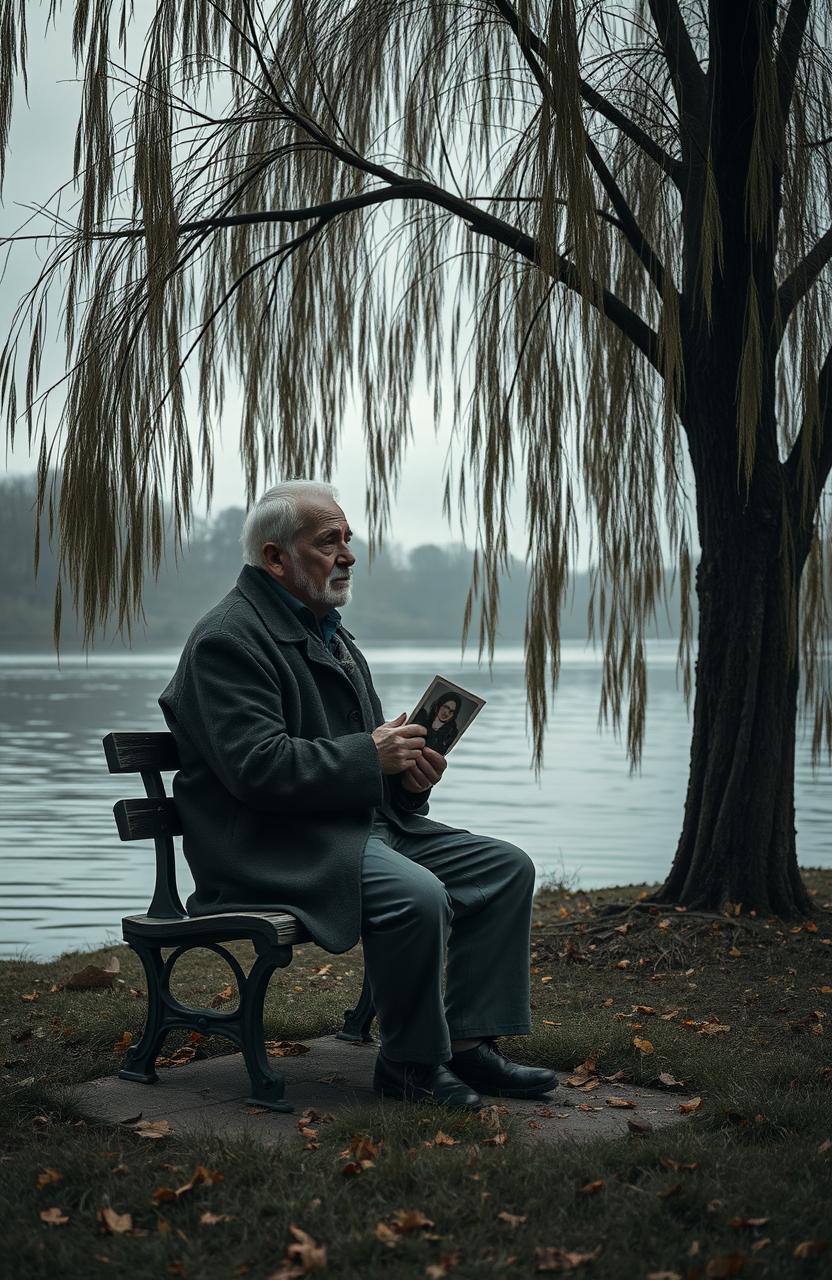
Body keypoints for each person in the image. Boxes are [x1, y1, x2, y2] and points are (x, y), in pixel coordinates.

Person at [159, 479, 556, 1111]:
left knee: (506, 869)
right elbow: (255, 768)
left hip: (349, 833)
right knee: (416, 895)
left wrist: (407, 781)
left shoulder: (334, 637)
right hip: (271, 848)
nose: (348, 554)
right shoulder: (226, 641)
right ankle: (409, 1065)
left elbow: (364, 768)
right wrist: (371, 755)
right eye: (328, 541)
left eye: (347, 539)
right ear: (274, 557)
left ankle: (469, 1046)